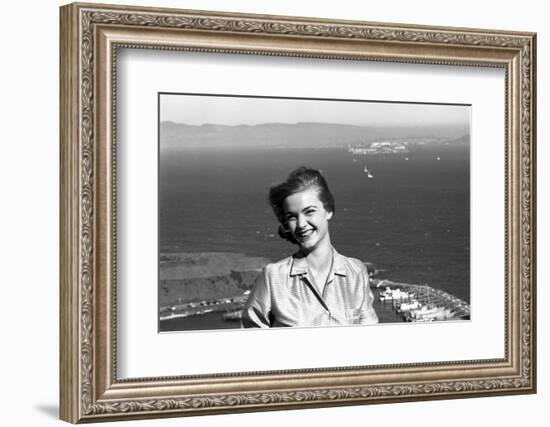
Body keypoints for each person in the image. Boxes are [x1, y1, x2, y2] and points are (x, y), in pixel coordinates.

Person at [242, 166, 378, 328]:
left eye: (309, 212)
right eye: (292, 217)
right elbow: (251, 344)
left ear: (328, 210)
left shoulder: (356, 273)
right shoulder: (273, 278)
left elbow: (370, 338)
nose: (301, 224)